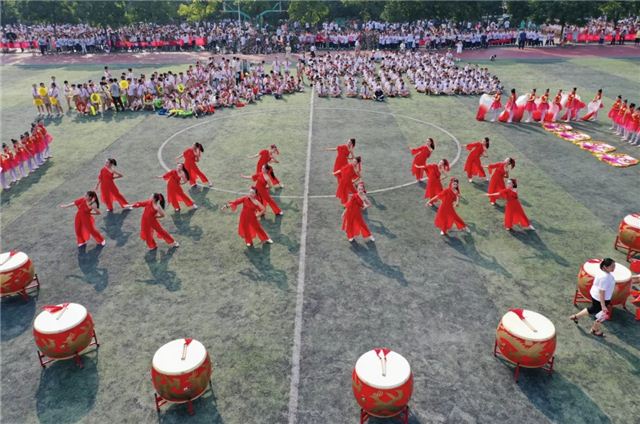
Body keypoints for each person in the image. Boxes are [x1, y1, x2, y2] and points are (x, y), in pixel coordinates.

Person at [569, 258, 616, 337]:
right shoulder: (605, 278)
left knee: (593, 309)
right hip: (601, 299)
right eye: (612, 266)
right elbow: (602, 292)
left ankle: (576, 317)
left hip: (596, 296)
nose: (614, 267)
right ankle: (594, 330)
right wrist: (603, 306)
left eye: (614, 265)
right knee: (602, 315)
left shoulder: (602, 273)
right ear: (605, 267)